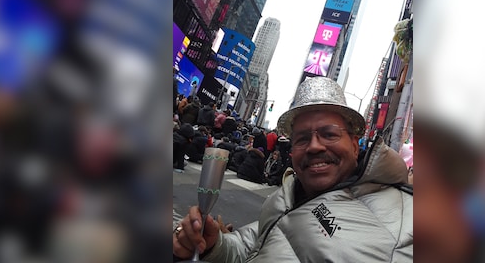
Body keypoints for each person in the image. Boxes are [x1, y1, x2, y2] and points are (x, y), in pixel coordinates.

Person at [173, 77, 413, 262]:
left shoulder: (409, 221)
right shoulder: (288, 193)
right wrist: (216, 245)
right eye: (302, 138)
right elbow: (253, 246)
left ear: (354, 143)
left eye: (329, 134)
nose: (314, 146)